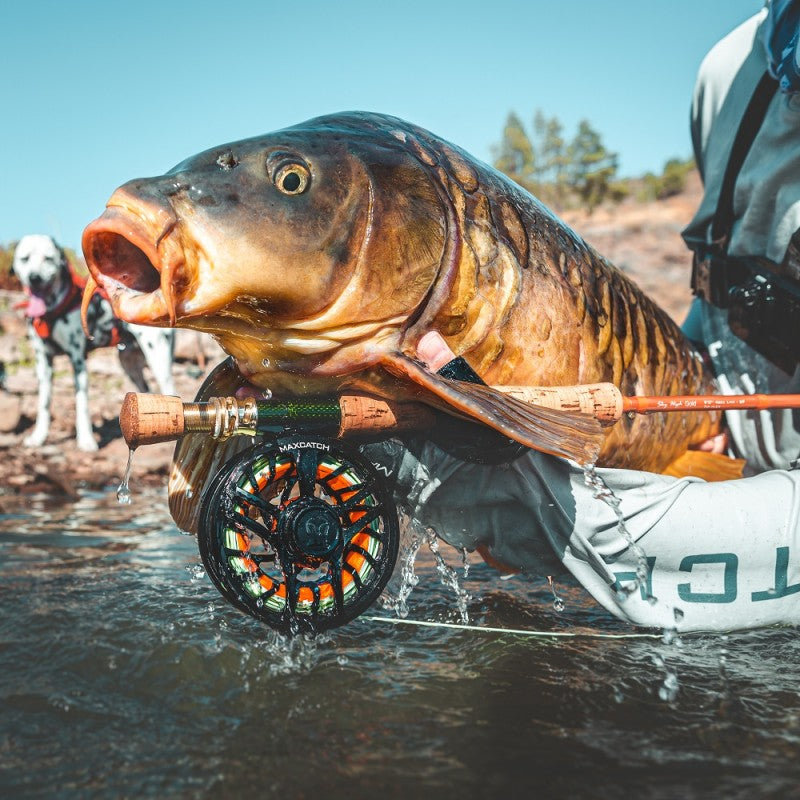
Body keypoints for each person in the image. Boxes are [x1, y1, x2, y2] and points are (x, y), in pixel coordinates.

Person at [364, 2, 800, 634]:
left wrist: (526, 498)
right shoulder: (727, 72)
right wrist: (706, 405)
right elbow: (725, 295)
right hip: (717, 449)